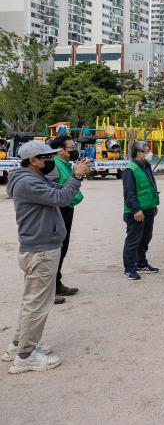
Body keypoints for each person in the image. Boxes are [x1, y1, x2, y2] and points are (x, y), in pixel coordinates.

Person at [5, 140, 90, 373]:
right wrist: (77, 177)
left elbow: (55, 189)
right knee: (37, 304)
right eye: (46, 157)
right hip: (41, 249)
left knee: (31, 301)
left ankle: (19, 344)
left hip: (38, 247)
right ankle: (25, 356)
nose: (50, 160)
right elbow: (61, 198)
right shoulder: (28, 182)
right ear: (32, 161)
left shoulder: (30, 178)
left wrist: (72, 173)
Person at [46, 135, 84, 302]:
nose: (74, 150)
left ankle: (57, 284)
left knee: (62, 249)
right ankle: (48, 291)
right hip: (59, 211)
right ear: (60, 150)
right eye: (71, 148)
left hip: (67, 209)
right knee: (55, 250)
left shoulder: (65, 164)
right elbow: (52, 193)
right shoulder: (53, 166)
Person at [121, 141, 160, 280]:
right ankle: (129, 268)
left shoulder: (146, 166)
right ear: (138, 153)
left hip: (149, 209)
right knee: (133, 240)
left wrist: (154, 205)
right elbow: (129, 193)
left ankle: (141, 263)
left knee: (145, 238)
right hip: (136, 212)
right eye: (147, 150)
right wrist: (136, 210)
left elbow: (150, 187)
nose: (150, 153)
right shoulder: (130, 169)